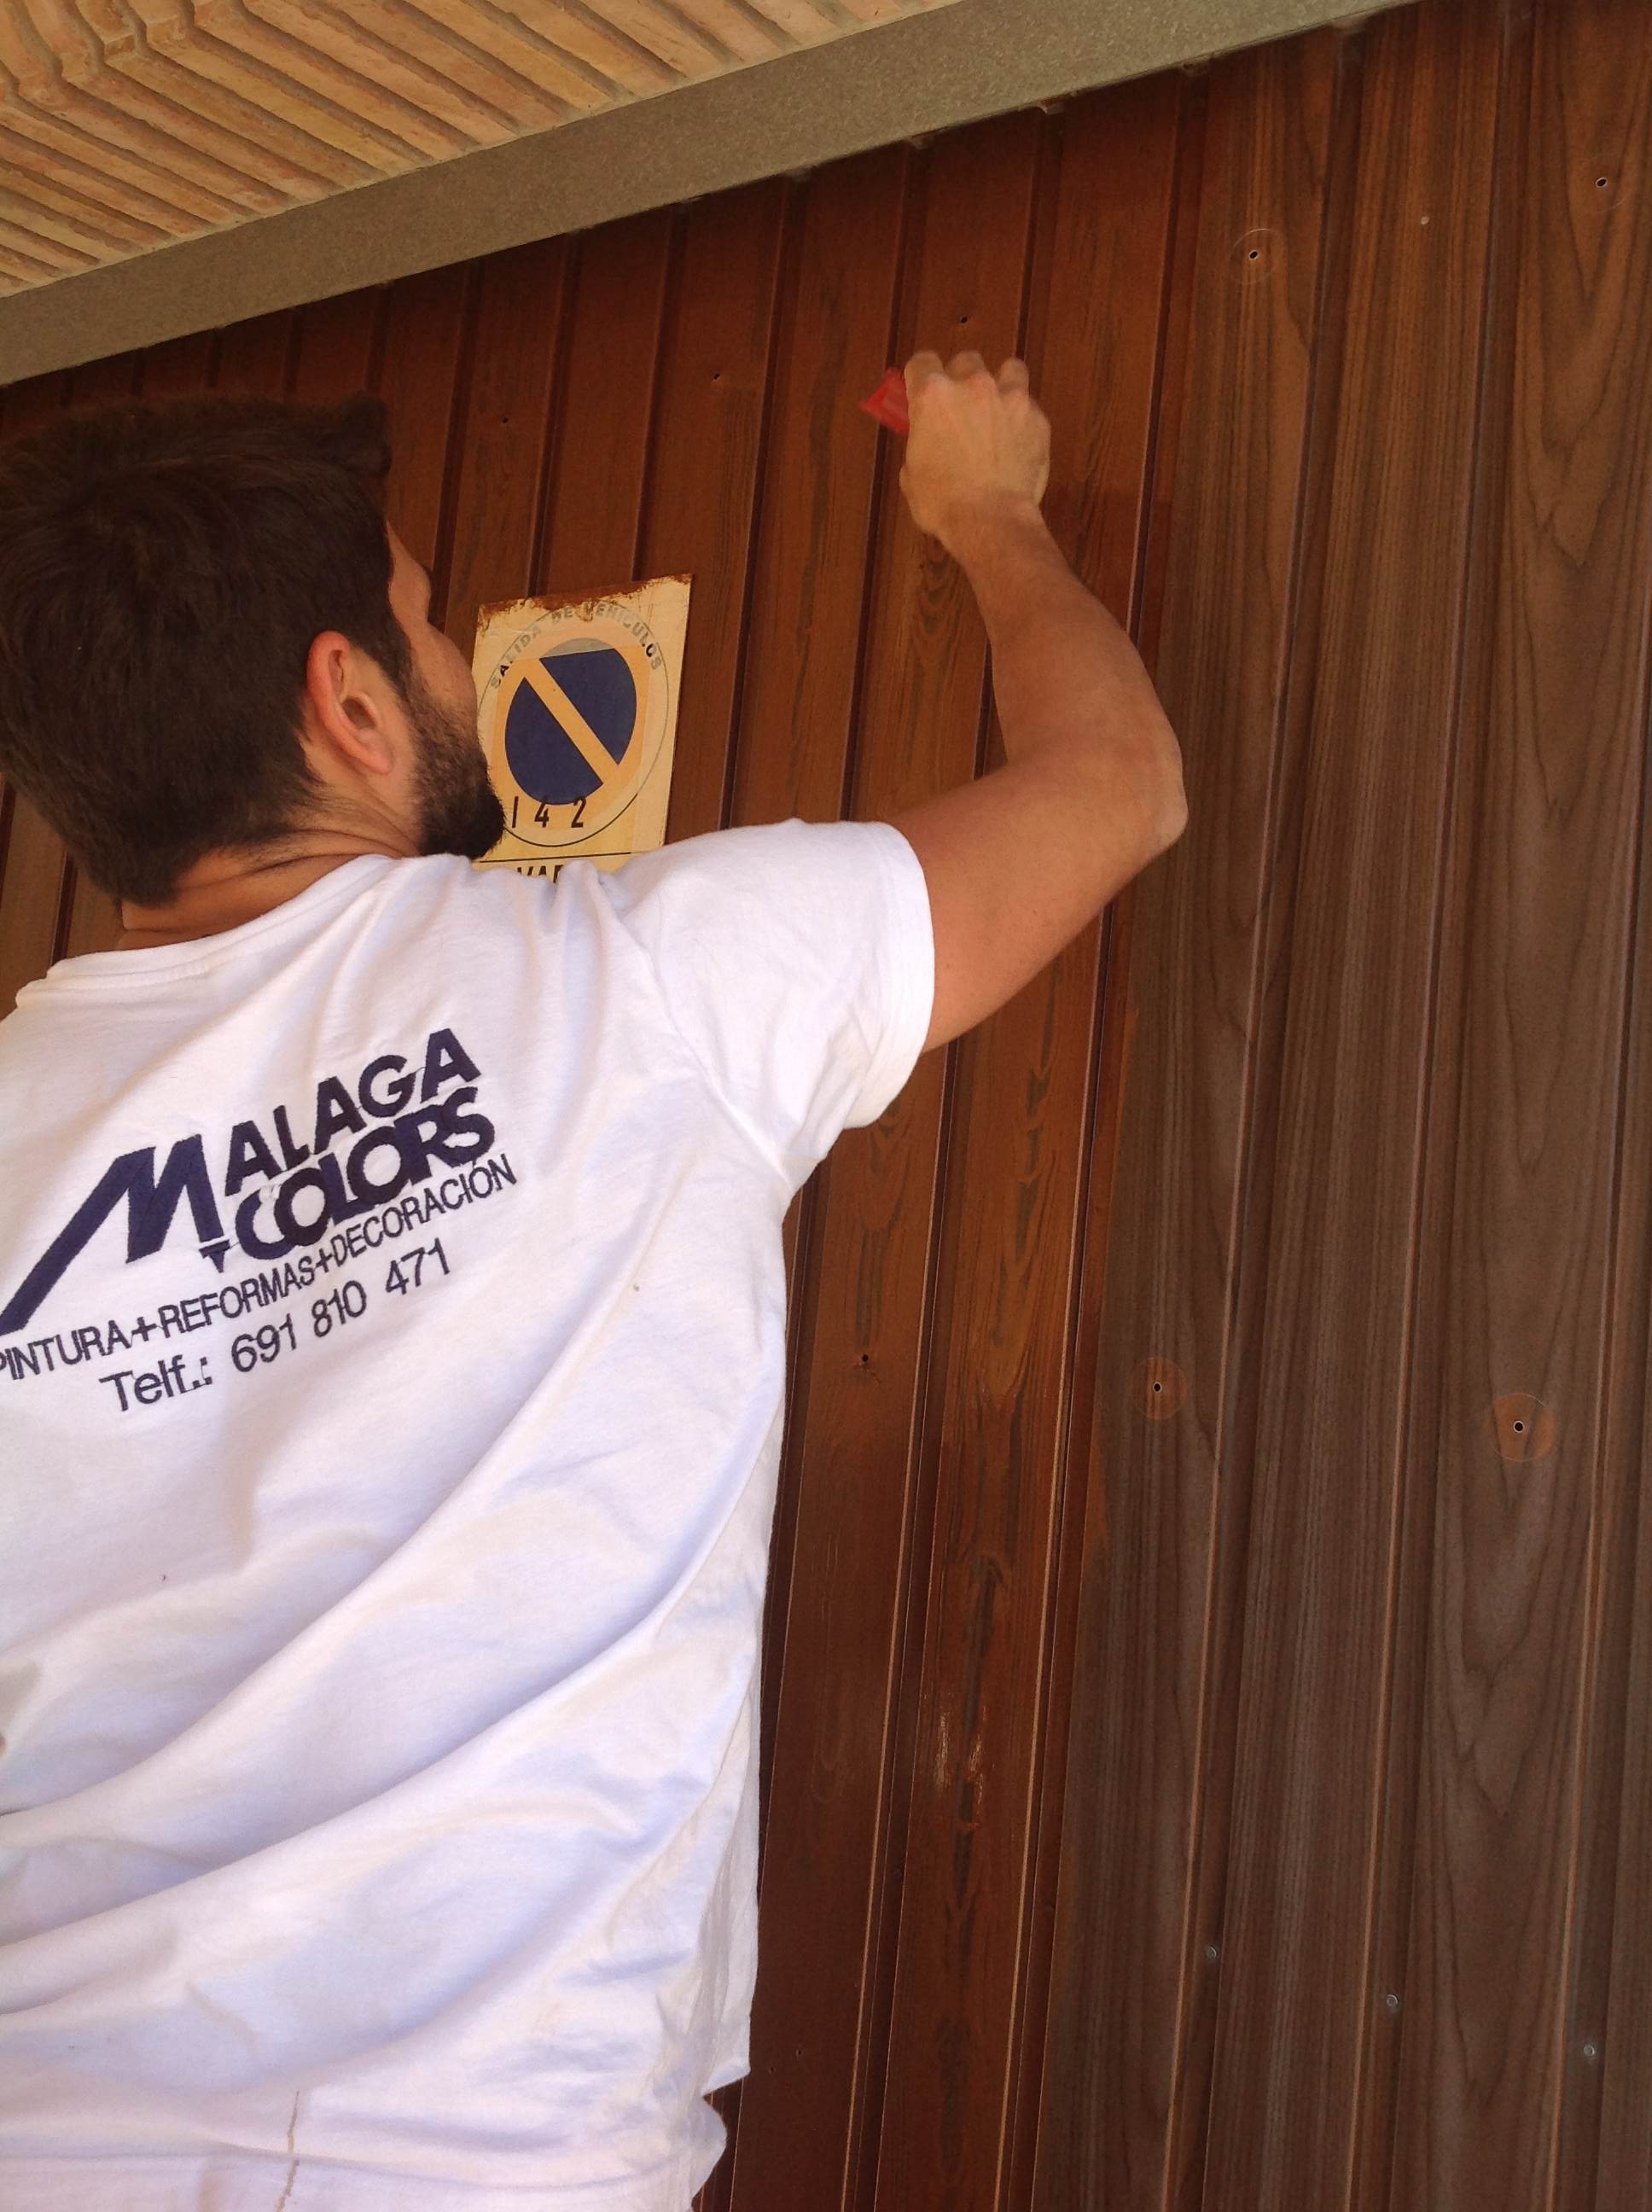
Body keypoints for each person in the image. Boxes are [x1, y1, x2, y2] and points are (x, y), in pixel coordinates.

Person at [0, 347, 1184, 2210]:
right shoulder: (644, 985)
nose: (458, 655)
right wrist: (988, 511)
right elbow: (1111, 786)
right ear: (347, 707)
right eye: (420, 620)